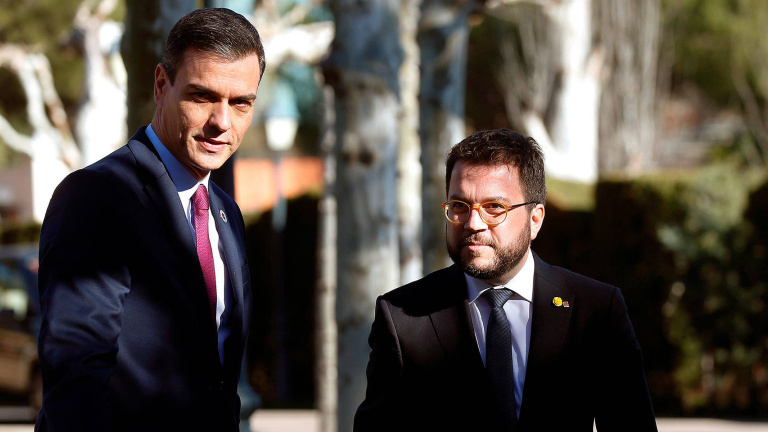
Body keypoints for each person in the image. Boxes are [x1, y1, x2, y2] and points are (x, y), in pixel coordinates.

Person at [35, 8, 265, 432]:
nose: (222, 122)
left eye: (240, 103)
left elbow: (218, 380)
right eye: (202, 97)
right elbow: (77, 382)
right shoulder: (97, 197)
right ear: (161, 85)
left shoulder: (226, 213)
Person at [354, 129, 658, 431]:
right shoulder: (404, 317)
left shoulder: (595, 309)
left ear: (535, 219)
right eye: (459, 206)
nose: (473, 223)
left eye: (494, 207)